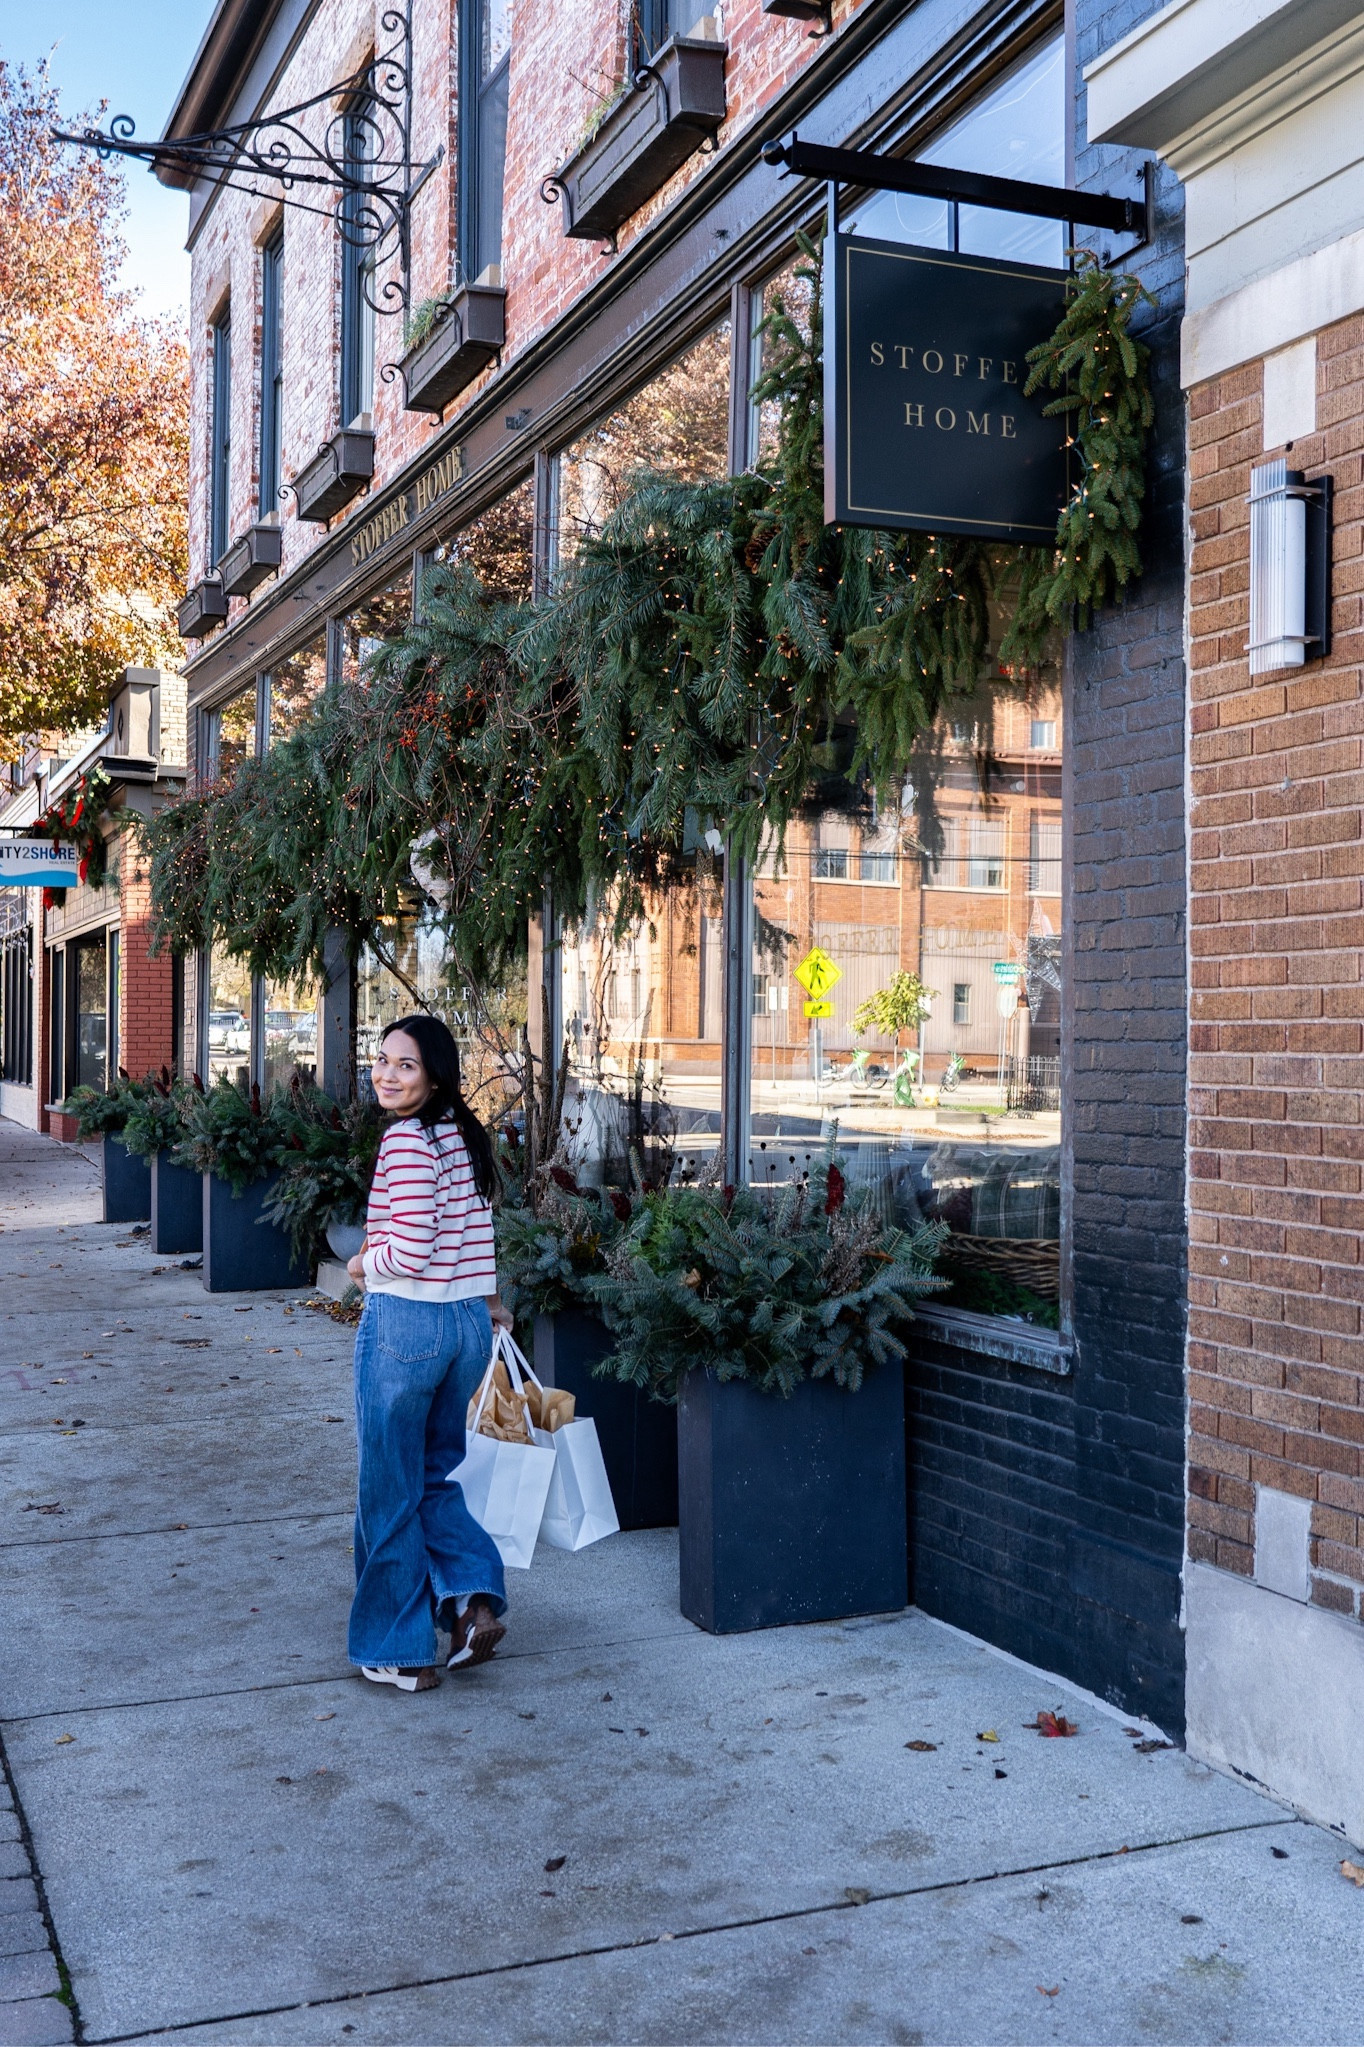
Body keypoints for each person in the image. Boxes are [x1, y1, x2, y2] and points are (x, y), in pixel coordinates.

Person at [344, 1014, 511, 1692]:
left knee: (389, 1487)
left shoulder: (407, 1141)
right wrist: (492, 1304)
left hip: (409, 1327)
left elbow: (409, 1249)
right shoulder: (462, 1136)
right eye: (382, 1060)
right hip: (468, 1326)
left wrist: (361, 1263)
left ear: (434, 1075)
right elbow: (479, 1232)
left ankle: (400, 1649)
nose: (386, 1073)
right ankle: (471, 1605)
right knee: (435, 1476)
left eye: (404, 1065)